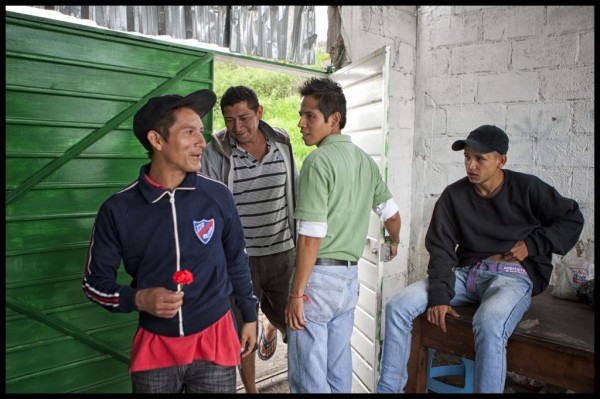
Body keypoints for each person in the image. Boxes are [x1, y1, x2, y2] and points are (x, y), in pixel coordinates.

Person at [375, 125, 585, 393]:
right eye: (467, 157)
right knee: (398, 307)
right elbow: (440, 247)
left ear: (501, 160)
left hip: (512, 278)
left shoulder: (528, 187)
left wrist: (533, 245)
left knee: (488, 321)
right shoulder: (454, 195)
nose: (471, 165)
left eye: (480, 158)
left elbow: (572, 217)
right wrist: (439, 295)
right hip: (466, 275)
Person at [81, 89, 258, 393]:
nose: (202, 142)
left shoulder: (218, 196)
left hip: (215, 340)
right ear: (157, 140)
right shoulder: (118, 209)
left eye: (200, 132)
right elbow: (94, 283)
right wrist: (138, 298)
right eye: (189, 132)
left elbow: (236, 260)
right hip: (156, 350)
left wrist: (250, 316)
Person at [285, 77, 401, 393]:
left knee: (309, 376)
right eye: (301, 115)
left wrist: (296, 294)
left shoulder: (317, 161)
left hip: (317, 280)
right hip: (349, 282)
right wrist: (393, 244)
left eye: (310, 116)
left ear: (334, 120)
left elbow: (311, 237)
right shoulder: (365, 161)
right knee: (338, 370)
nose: (301, 123)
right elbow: (392, 215)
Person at [201, 85, 298, 393]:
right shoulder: (215, 151)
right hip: (238, 260)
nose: (237, 128)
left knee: (295, 324)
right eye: (230, 120)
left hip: (282, 253)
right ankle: (252, 390)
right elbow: (208, 207)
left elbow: (292, 191)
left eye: (244, 118)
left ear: (259, 112)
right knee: (242, 330)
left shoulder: (282, 141)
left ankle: (277, 336)